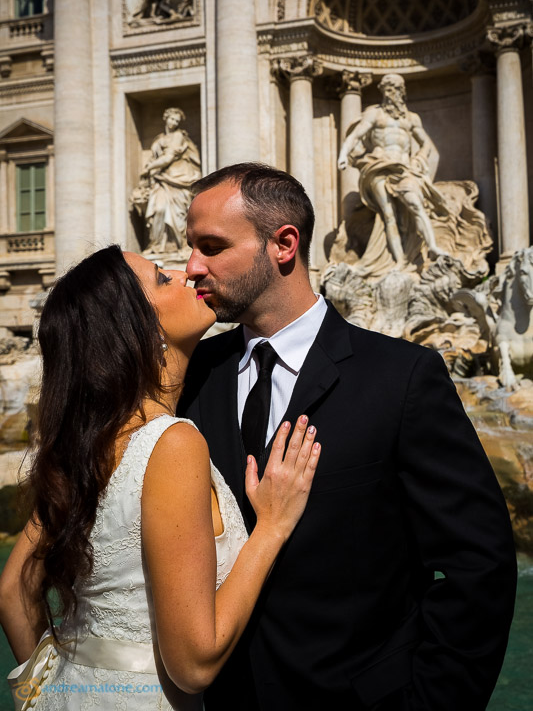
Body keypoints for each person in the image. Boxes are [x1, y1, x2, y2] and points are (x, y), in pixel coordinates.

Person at [179, 162, 517, 711]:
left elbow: (478, 564)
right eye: (191, 246)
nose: (192, 267)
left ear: (283, 244)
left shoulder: (403, 377)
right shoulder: (193, 374)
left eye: (211, 246)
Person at [0, 244, 321, 710]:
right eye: (162, 279)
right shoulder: (172, 444)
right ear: (139, 329)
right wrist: (270, 529)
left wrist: (51, 694)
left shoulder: (84, 440)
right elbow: (193, 666)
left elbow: (14, 589)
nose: (186, 272)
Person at [338, 73, 446, 266]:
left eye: (395, 89)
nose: (391, 93)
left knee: (415, 204)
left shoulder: (412, 119)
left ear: (402, 92)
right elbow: (355, 135)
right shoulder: (374, 114)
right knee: (388, 213)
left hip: (404, 168)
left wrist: (419, 160)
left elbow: (427, 145)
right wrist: (343, 154)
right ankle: (399, 262)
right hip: (378, 167)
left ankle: (432, 247)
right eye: (387, 89)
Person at [130, 107, 201, 255]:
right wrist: (150, 171)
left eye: (177, 120)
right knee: (159, 210)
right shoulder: (159, 139)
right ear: (166, 118)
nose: (174, 122)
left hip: (178, 179)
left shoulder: (178, 137)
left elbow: (168, 158)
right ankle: (156, 246)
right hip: (160, 181)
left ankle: (181, 246)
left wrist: (148, 168)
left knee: (178, 215)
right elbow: (155, 158)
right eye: (172, 119)